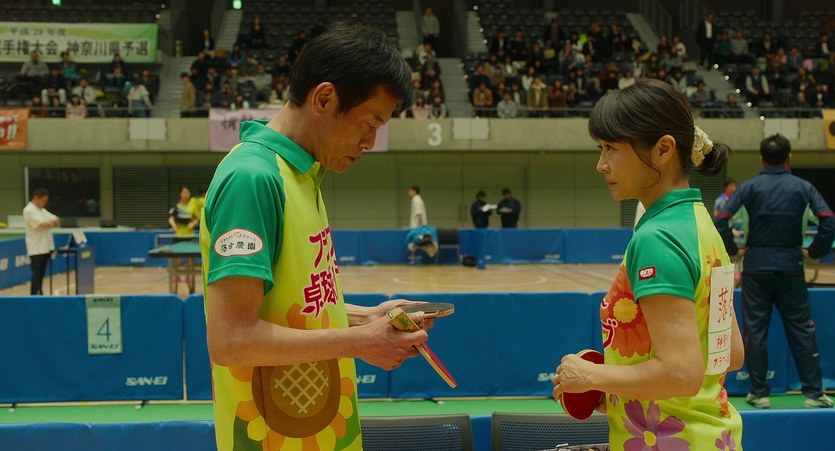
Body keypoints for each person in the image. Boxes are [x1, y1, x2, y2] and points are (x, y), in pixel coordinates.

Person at [199, 23, 432, 450]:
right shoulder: (252, 179)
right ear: (324, 98)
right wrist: (360, 342)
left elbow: (296, 308)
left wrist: (369, 318)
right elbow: (231, 340)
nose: (370, 142)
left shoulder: (304, 175)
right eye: (369, 123)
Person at [552, 78, 745, 447]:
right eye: (600, 148)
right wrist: (621, 390)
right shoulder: (702, 225)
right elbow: (730, 354)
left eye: (611, 148)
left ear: (663, 149)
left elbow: (681, 373)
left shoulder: (657, 238)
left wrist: (591, 376)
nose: (601, 164)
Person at [715, 134, 835, 409]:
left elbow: (721, 219)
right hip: (791, 267)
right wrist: (815, 251)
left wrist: (734, 249)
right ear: (789, 158)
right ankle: (814, 394)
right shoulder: (803, 187)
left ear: (762, 159)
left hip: (756, 268)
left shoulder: (748, 187)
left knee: (756, 332)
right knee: (802, 330)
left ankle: (759, 394)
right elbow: (828, 220)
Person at [23, 188, 59, 295]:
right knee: (37, 274)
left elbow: (55, 219)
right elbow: (40, 224)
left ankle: (39, 292)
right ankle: (35, 294)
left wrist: (49, 223)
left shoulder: (41, 210)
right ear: (36, 198)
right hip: (36, 248)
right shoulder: (29, 210)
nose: (45, 203)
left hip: (45, 247)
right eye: (43, 200)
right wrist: (49, 223)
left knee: (42, 274)